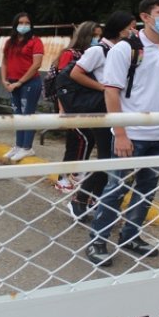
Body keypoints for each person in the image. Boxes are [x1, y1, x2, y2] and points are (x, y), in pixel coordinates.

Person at [85, 0, 159, 267]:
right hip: (131, 135)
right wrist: (120, 133)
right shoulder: (125, 49)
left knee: (147, 190)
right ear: (145, 17)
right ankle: (98, 238)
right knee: (115, 188)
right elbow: (112, 92)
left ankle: (131, 235)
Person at [66, 11, 137, 220]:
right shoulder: (99, 50)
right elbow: (75, 73)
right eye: (130, 27)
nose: (134, 31)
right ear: (119, 27)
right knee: (108, 159)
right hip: (102, 110)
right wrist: (104, 88)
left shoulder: (126, 50)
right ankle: (80, 199)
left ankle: (94, 199)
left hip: (119, 110)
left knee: (114, 160)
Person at [53, 21, 102, 192]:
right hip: (68, 104)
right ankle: (70, 174)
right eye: (94, 35)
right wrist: (62, 109)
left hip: (82, 103)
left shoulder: (91, 53)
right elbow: (61, 83)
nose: (98, 39)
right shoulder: (70, 54)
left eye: (100, 35)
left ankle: (68, 175)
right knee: (83, 138)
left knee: (77, 141)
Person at [1, 12, 45, 162]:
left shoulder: (35, 41)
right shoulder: (10, 42)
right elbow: (4, 62)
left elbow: (36, 64)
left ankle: (27, 147)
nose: (24, 25)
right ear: (15, 25)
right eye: (21, 23)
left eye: (27, 23)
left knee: (28, 115)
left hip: (29, 83)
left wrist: (20, 82)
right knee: (18, 116)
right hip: (12, 83)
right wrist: (4, 80)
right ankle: (19, 145)